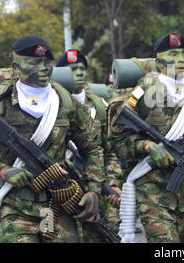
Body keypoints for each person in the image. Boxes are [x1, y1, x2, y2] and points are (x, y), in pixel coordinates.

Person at [0, 35, 105, 243]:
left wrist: (94, 190)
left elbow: (92, 147)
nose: (43, 68)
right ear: (16, 68)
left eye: (47, 62)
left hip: (55, 207)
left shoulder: (65, 102)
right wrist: (2, 169)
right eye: (34, 63)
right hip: (16, 206)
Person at [108, 33, 184, 242]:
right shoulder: (143, 92)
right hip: (154, 190)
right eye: (173, 54)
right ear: (158, 60)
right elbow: (118, 139)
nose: (180, 59)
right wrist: (147, 146)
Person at [57, 49, 123, 232]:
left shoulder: (100, 106)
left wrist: (113, 182)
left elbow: (110, 151)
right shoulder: (54, 104)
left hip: (100, 187)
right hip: (66, 189)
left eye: (81, 68)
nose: (78, 73)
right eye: (72, 69)